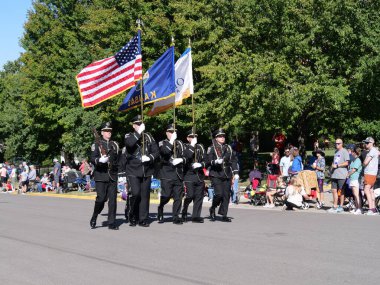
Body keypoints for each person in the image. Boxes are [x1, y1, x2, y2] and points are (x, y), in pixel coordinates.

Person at [124, 115, 159, 227]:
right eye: (137, 124)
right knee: (136, 193)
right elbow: (130, 144)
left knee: (145, 196)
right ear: (134, 125)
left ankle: (143, 218)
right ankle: (132, 214)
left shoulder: (148, 136)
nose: (139, 126)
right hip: (133, 170)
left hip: (146, 170)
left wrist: (150, 157)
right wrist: (139, 133)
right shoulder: (129, 135)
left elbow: (156, 151)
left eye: (141, 124)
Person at [157, 123, 190, 225]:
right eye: (170, 132)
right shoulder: (162, 143)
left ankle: (175, 216)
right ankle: (161, 207)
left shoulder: (180, 144)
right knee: (166, 195)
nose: (172, 133)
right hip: (166, 174)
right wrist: (171, 141)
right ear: (166, 132)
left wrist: (181, 159)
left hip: (178, 174)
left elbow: (188, 156)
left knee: (178, 197)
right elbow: (165, 152)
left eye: (174, 132)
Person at [90, 122, 120, 230]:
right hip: (101, 175)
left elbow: (118, 160)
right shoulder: (97, 144)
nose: (109, 132)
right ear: (102, 132)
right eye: (106, 131)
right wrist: (99, 160)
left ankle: (112, 222)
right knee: (101, 199)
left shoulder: (115, 144)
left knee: (113, 200)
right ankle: (95, 215)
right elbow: (92, 158)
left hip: (112, 175)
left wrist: (120, 173)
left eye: (110, 131)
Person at [207, 128, 239, 222]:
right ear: (216, 138)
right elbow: (208, 161)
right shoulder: (211, 147)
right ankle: (213, 207)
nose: (222, 138)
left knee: (226, 195)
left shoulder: (228, 147)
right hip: (216, 174)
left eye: (223, 136)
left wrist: (236, 172)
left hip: (227, 174)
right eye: (220, 136)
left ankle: (224, 215)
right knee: (219, 194)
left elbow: (233, 160)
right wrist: (215, 161)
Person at [182, 129, 208, 223]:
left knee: (198, 197)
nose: (194, 138)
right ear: (188, 138)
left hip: (199, 175)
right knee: (190, 195)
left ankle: (196, 216)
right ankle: (184, 211)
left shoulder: (200, 146)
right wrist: (192, 145)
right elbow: (186, 156)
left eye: (195, 136)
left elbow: (206, 160)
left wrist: (201, 164)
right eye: (192, 137)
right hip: (189, 175)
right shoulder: (184, 146)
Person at [328, 138, 350, 214]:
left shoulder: (345, 151)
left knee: (341, 191)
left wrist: (337, 166)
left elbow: (347, 163)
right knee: (334, 190)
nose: (336, 145)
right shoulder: (336, 152)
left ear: (342, 144)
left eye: (338, 143)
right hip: (334, 174)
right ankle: (335, 206)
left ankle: (341, 206)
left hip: (342, 175)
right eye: (336, 143)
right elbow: (334, 162)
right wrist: (331, 169)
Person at [361, 137, 379, 215]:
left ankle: (371, 209)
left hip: (369, 173)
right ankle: (374, 208)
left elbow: (365, 162)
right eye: (365, 142)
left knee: (366, 190)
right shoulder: (375, 151)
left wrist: (364, 162)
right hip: (372, 173)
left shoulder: (372, 151)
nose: (366, 144)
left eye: (367, 143)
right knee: (371, 191)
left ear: (372, 143)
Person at [347, 147, 363, 215]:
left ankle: (359, 208)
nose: (351, 153)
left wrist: (347, 175)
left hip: (356, 179)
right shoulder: (354, 160)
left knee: (357, 195)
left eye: (352, 152)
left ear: (355, 152)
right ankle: (356, 208)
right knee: (354, 194)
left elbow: (353, 170)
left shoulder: (358, 160)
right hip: (352, 178)